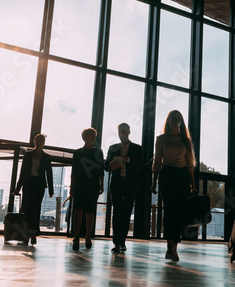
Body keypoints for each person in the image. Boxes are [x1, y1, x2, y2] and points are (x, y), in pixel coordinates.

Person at [151, 110, 197, 261]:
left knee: (179, 212)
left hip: (182, 176)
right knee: (169, 211)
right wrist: (154, 183)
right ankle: (169, 246)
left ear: (181, 122)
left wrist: (193, 183)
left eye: (178, 119)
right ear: (168, 120)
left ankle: (174, 247)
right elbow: (157, 163)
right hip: (167, 174)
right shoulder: (161, 139)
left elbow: (190, 163)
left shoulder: (185, 140)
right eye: (173, 118)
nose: (175, 121)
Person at [104, 123, 144, 254]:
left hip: (131, 184)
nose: (122, 134)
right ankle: (117, 242)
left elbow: (141, 165)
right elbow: (106, 166)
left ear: (129, 132)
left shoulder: (137, 148)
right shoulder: (113, 147)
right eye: (120, 131)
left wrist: (128, 159)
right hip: (116, 183)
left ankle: (121, 241)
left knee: (126, 213)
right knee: (117, 212)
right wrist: (110, 166)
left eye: (125, 131)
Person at [14, 134, 54, 245]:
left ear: (44, 143)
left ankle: (33, 235)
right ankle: (26, 234)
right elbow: (22, 172)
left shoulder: (46, 157)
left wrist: (51, 189)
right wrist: (18, 187)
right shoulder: (28, 155)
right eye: (38, 140)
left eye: (42, 140)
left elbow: (49, 174)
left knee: (36, 210)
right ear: (34, 141)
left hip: (39, 185)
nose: (40, 142)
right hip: (28, 183)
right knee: (27, 209)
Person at [69, 127, 104, 250]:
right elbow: (74, 170)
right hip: (80, 183)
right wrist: (71, 187)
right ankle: (77, 236)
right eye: (89, 137)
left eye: (93, 137)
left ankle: (88, 235)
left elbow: (100, 170)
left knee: (90, 210)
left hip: (92, 183)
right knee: (78, 210)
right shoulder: (77, 153)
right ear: (84, 138)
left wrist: (102, 184)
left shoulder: (98, 152)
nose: (91, 139)